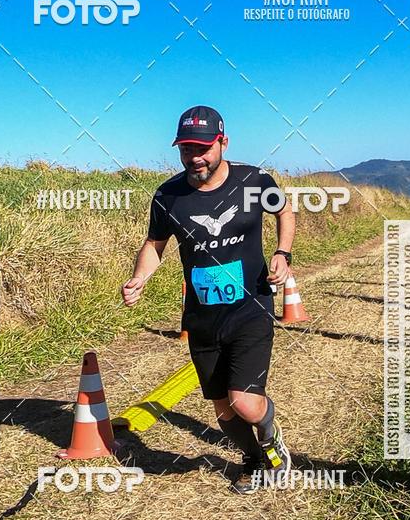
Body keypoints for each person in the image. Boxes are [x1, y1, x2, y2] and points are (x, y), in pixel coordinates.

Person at [121, 105, 295, 493]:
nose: (195, 157)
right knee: (223, 408)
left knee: (245, 402)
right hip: (202, 318)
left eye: (202, 148)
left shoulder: (254, 181)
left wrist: (283, 253)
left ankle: (271, 441)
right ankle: (253, 458)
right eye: (186, 149)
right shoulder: (168, 195)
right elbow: (155, 244)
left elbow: (285, 212)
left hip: (251, 308)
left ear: (223, 142)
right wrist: (139, 278)